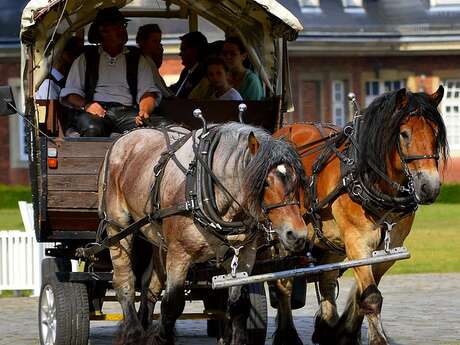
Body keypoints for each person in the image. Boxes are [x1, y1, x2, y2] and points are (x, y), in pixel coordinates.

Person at [60, 7, 161, 137]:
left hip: (127, 113)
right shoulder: (85, 58)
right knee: (92, 128)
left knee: (164, 128)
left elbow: (147, 92)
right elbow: (71, 94)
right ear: (103, 31)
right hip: (95, 112)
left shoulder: (138, 59)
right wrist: (87, 106)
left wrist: (144, 111)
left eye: (123, 25)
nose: (123, 30)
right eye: (117, 27)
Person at [35, 36, 83, 100]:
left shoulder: (66, 78)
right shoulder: (48, 84)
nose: (79, 56)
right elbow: (51, 109)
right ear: (64, 54)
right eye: (76, 52)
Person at [136, 24, 173, 98]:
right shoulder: (143, 62)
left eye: (159, 41)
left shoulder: (150, 61)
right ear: (142, 42)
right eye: (154, 41)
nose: (158, 46)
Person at [221, 36, 264, 101]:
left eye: (233, 54)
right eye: (224, 53)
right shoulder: (220, 76)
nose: (228, 57)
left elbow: (254, 108)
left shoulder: (251, 81)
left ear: (243, 56)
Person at [169, 31, 208, 98]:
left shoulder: (204, 73)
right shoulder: (186, 71)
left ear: (194, 50)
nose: (180, 54)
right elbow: (176, 88)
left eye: (183, 50)